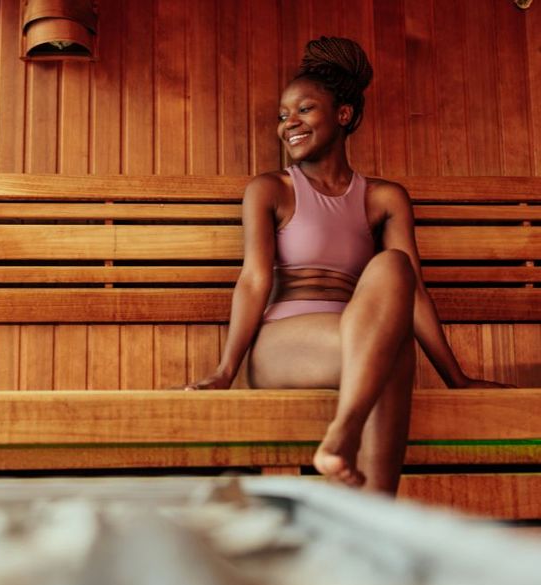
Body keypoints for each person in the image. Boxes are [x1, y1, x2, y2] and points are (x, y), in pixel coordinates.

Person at [184, 36, 508, 494]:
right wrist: (225, 370)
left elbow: (411, 293)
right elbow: (255, 279)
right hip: (283, 346)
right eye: (283, 115)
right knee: (391, 351)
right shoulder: (271, 190)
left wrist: (456, 379)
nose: (288, 124)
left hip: (357, 340)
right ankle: (355, 460)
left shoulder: (383, 198)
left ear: (344, 114)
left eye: (304, 110)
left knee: (395, 268)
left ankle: (351, 468)